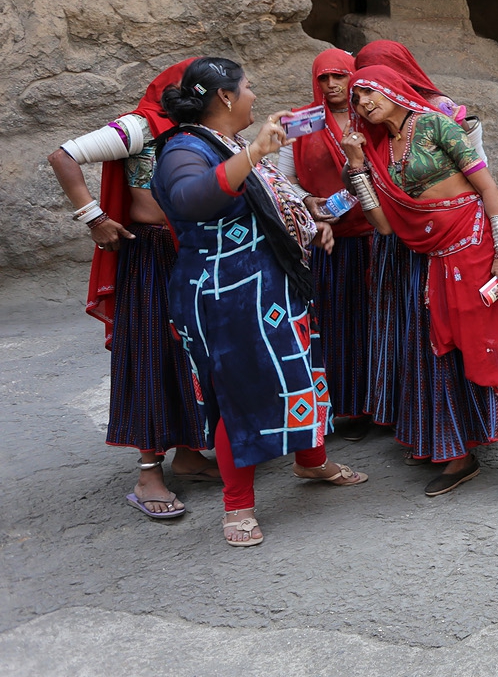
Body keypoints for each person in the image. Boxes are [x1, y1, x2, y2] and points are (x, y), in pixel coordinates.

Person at [152, 57, 365, 548]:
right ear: (225, 96)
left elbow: (272, 202)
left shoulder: (230, 147)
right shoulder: (184, 149)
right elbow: (188, 200)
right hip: (224, 296)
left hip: (270, 287)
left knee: (299, 373)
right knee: (239, 393)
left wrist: (313, 218)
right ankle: (238, 506)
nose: (253, 95)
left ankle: (311, 463)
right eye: (247, 87)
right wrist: (253, 153)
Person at [343, 64, 498, 496]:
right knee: (445, 351)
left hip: (480, 248)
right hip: (437, 259)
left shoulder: (436, 124)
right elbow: (384, 226)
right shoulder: (380, 150)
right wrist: (358, 167)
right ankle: (460, 454)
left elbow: (488, 188)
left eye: (370, 91)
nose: (365, 102)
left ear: (393, 88)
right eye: (357, 97)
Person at [47, 59, 219, 520]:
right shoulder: (139, 126)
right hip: (151, 255)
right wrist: (94, 217)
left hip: (189, 251)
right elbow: (63, 155)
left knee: (190, 354)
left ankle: (188, 454)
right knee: (150, 354)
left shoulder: (198, 128)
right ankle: (148, 475)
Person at [351, 40, 475, 438]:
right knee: (406, 325)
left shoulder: (439, 114)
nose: (365, 95)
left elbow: (476, 177)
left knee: (440, 324)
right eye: (360, 86)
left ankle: (457, 421)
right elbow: (367, 181)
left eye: (375, 78)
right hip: (393, 236)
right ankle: (414, 416)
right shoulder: (370, 125)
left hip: (447, 234)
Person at [276, 49, 375, 441]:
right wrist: (307, 202)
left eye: (339, 76)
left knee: (374, 320)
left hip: (373, 235)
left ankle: (380, 404)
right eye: (324, 78)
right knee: (332, 322)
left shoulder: (369, 113)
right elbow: (280, 180)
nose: (332, 85)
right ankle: (343, 407)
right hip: (325, 240)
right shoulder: (301, 122)